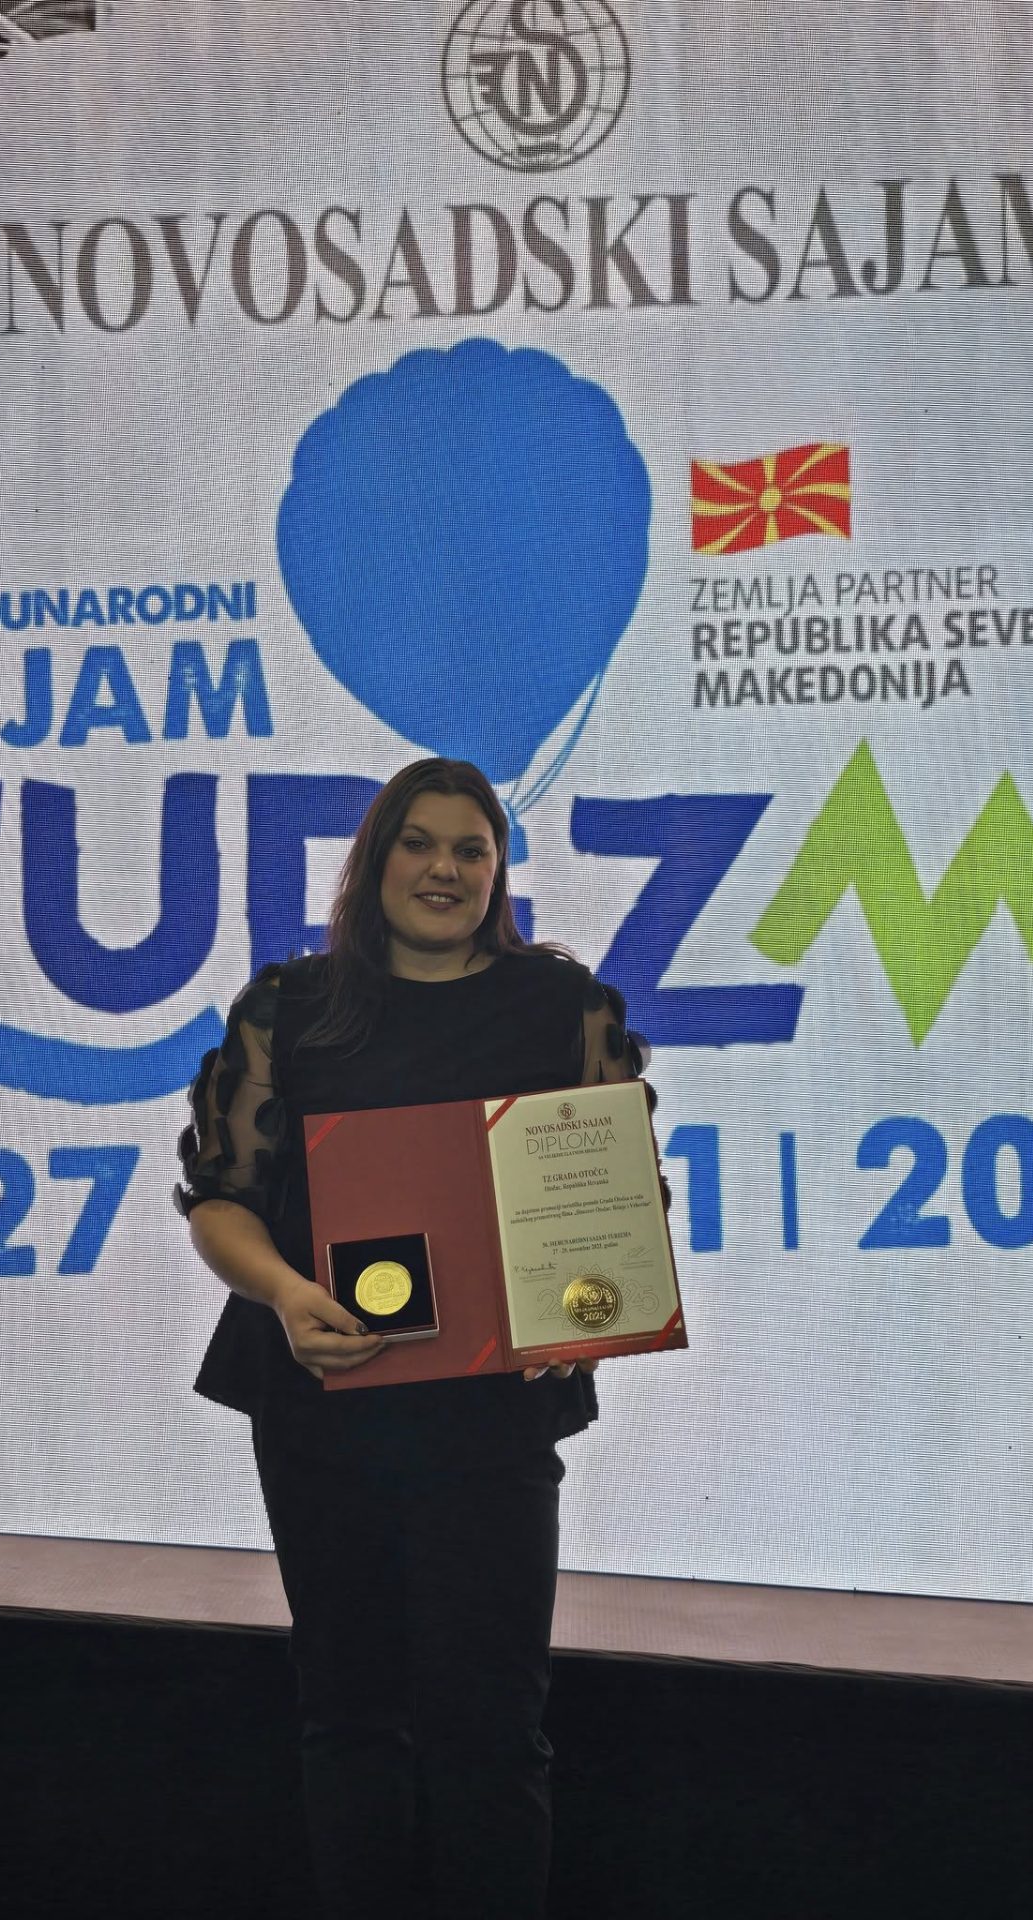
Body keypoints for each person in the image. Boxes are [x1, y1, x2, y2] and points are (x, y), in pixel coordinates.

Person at [174, 757, 651, 1920]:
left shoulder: (562, 1007)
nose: (445, 869)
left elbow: (617, 1209)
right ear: (375, 859)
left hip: (490, 1422)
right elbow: (221, 1202)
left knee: (494, 1725)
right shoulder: (289, 1008)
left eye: (471, 849)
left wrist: (584, 1314)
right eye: (419, 843)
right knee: (349, 1719)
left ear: (499, 870)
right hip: (323, 1413)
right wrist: (286, 1294)